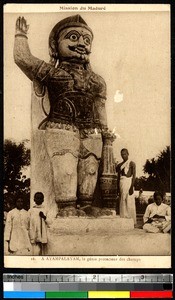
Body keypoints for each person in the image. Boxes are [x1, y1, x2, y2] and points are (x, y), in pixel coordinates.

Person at [14, 15, 109, 210]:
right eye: (73, 37)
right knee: (65, 171)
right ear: (55, 46)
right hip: (62, 127)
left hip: (91, 131)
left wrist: (106, 135)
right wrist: (20, 36)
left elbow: (101, 110)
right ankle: (66, 208)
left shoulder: (97, 81)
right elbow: (22, 58)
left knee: (90, 170)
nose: (82, 43)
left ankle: (86, 206)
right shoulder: (53, 73)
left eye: (87, 39)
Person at [116, 148, 136, 224]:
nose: (123, 156)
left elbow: (134, 176)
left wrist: (131, 186)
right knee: (122, 200)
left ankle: (132, 221)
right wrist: (118, 188)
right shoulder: (119, 165)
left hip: (129, 182)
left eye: (124, 154)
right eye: (122, 154)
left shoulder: (131, 163)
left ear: (128, 154)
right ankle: (123, 219)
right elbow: (118, 177)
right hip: (122, 182)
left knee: (129, 200)